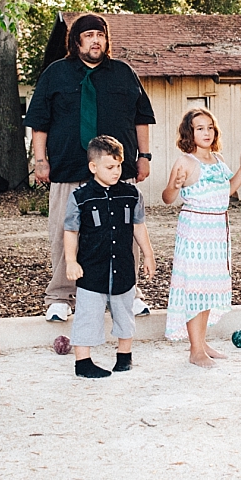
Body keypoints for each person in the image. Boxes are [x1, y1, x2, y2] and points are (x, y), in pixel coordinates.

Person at [24, 13, 157, 324]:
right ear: (76, 41)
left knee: (123, 232)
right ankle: (60, 297)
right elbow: (39, 123)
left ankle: (128, 292)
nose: (96, 40)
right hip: (70, 168)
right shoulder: (56, 74)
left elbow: (142, 118)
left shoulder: (123, 73)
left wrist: (145, 156)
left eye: (100, 35)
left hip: (116, 172)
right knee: (65, 231)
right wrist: (40, 160)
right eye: (89, 35)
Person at [161, 108, 241, 367]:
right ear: (189, 133)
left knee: (207, 289)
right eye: (199, 128)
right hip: (195, 229)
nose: (206, 132)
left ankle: (201, 342)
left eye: (210, 127)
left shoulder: (218, 159)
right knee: (195, 288)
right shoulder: (185, 161)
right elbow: (168, 198)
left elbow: (228, 190)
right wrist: (175, 185)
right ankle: (195, 350)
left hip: (217, 230)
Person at [64, 135, 157, 378]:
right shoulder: (80, 197)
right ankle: (83, 363)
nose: (116, 172)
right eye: (109, 167)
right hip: (91, 270)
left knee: (124, 313)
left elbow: (139, 226)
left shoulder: (131, 195)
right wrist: (71, 261)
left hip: (123, 269)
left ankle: (124, 357)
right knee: (87, 315)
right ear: (93, 167)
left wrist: (148, 255)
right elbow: (71, 231)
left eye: (119, 166)